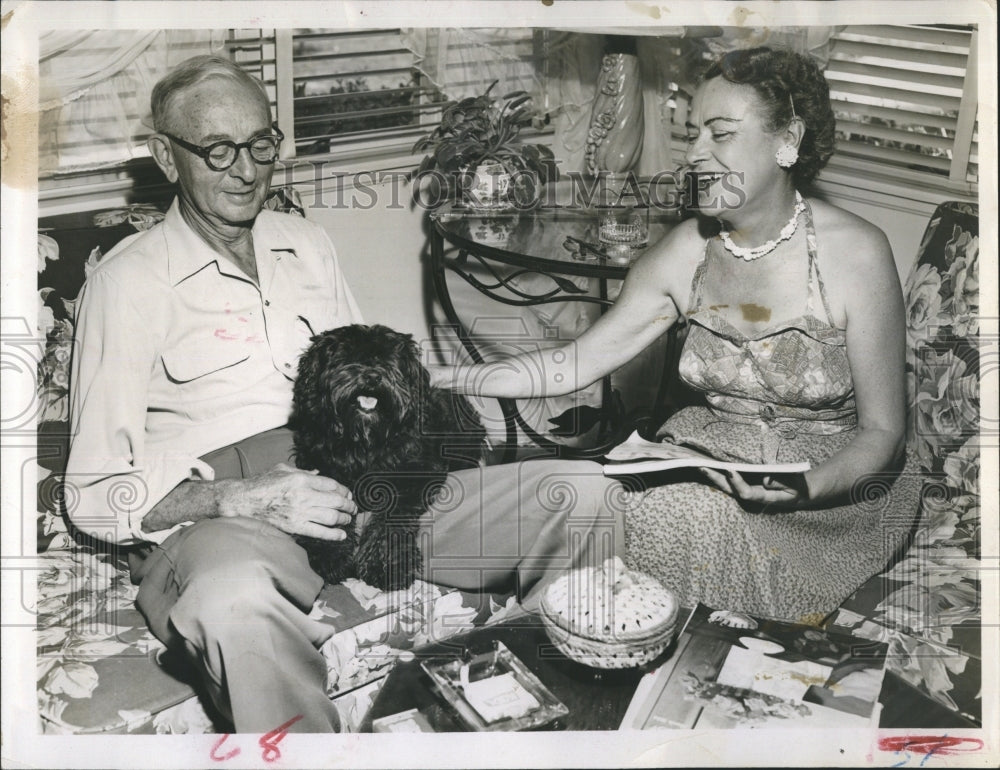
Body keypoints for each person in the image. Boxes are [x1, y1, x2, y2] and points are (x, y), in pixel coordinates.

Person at [65, 55, 623, 734]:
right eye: (217, 150)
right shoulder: (125, 286)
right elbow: (93, 491)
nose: (245, 170)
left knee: (587, 495)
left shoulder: (308, 243)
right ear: (165, 155)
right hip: (232, 523)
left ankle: (539, 724)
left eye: (261, 144)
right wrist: (243, 495)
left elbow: (374, 381)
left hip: (365, 489)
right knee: (233, 603)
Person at [432, 47, 921, 623]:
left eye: (720, 134)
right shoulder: (685, 251)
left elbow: (883, 433)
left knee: (679, 515)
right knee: (601, 496)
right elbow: (572, 364)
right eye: (693, 135)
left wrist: (807, 487)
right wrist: (444, 375)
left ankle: (639, 647)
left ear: (787, 140)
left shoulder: (857, 252)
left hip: (834, 491)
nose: (695, 154)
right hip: (714, 455)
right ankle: (568, 633)